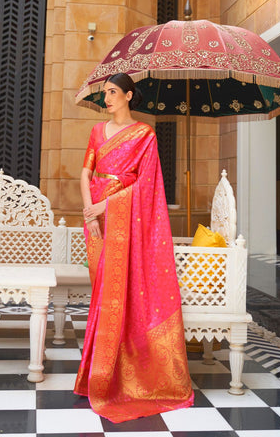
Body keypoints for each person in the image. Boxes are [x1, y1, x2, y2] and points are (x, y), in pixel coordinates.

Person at [74, 72, 194, 423]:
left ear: (128, 95)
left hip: (126, 218)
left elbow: (149, 186)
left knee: (126, 292)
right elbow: (85, 174)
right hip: (96, 218)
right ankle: (100, 373)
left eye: (112, 92)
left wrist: (106, 207)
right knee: (102, 294)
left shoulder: (145, 135)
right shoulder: (98, 132)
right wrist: (90, 212)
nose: (107, 98)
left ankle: (128, 376)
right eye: (105, 93)